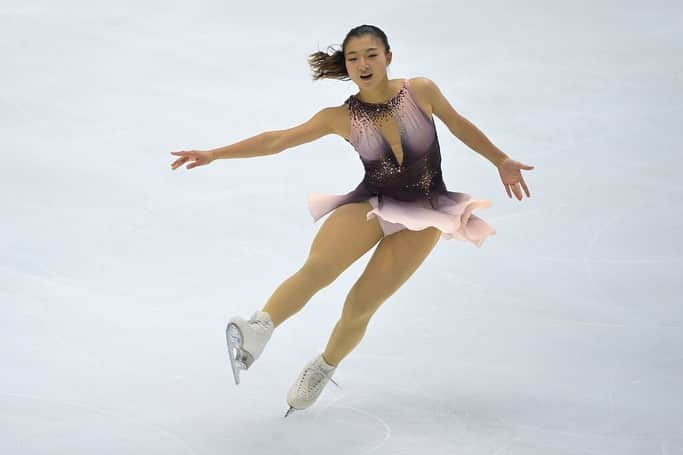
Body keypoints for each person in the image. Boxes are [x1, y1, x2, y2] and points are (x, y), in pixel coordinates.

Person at [170, 24, 534, 418]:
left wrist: (500, 159)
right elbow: (278, 140)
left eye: (371, 54)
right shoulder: (340, 117)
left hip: (426, 210)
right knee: (319, 268)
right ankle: (259, 328)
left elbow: (458, 123)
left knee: (361, 304)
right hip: (372, 200)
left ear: (388, 57)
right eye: (353, 57)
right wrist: (214, 153)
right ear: (346, 65)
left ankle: (323, 366)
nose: (363, 63)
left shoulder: (421, 90)